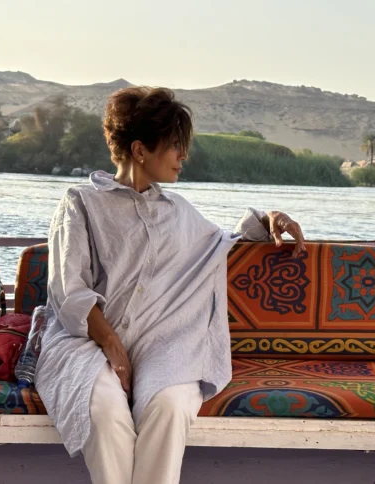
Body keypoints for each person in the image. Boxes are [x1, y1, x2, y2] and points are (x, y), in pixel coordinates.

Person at [34, 87, 306, 484]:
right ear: (140, 149)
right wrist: (111, 345)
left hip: (164, 341)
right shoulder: (82, 203)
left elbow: (223, 243)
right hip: (85, 341)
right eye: (175, 146)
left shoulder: (179, 211)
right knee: (103, 410)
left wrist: (270, 219)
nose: (183, 156)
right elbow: (67, 288)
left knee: (171, 405)